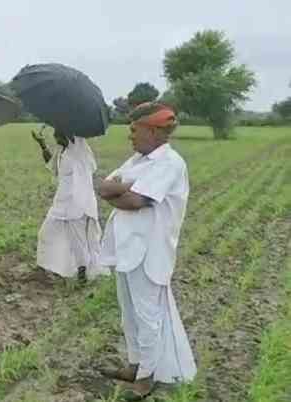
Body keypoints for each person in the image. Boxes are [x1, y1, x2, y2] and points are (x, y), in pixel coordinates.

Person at [95, 103, 196, 399]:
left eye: (134, 130)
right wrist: (128, 186)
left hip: (150, 251)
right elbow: (104, 188)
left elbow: (133, 202)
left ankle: (147, 377)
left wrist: (122, 190)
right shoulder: (138, 160)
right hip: (128, 248)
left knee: (148, 315)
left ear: (152, 131)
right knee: (130, 312)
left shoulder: (169, 163)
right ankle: (136, 365)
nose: (130, 136)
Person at [32, 126, 107, 283]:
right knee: (46, 233)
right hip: (61, 203)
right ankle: (49, 267)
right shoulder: (62, 152)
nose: (55, 136)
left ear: (68, 135)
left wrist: (69, 127)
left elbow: (76, 139)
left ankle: (82, 273)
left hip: (78, 203)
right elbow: (53, 166)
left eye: (58, 133)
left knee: (79, 242)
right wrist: (42, 144)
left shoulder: (79, 152)